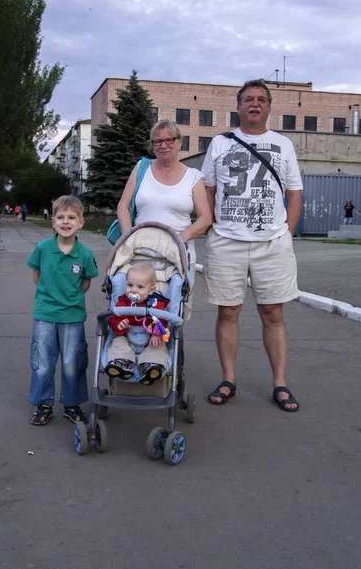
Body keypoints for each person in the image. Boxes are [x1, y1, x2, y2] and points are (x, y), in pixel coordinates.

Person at [202, 79, 303, 412]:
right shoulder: (219, 143)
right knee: (228, 311)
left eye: (261, 99)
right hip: (227, 242)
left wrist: (287, 231)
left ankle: (280, 384)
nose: (254, 104)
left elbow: (294, 193)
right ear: (239, 106)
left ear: (270, 107)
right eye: (248, 99)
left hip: (272, 243)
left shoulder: (283, 144)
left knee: (273, 313)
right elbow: (209, 190)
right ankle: (228, 379)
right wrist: (212, 225)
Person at [117, 119, 212, 297]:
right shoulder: (141, 168)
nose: (164, 145)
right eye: (158, 141)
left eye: (169, 140)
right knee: (135, 309)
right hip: (140, 252)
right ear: (152, 144)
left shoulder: (193, 177)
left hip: (177, 256)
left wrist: (179, 239)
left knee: (174, 312)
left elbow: (205, 218)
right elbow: (123, 205)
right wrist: (128, 237)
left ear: (180, 142)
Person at [27, 195, 98, 425]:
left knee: (72, 362)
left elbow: (86, 282)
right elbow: (37, 275)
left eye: (71, 217)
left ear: (81, 223)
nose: (65, 222)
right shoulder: (42, 249)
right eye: (60, 217)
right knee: (43, 361)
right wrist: (50, 296)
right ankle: (43, 404)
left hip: (72, 316)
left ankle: (71, 403)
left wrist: (70, 299)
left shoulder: (85, 254)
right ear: (53, 221)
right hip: (45, 315)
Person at [105, 263, 169, 385]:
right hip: (127, 338)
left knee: (159, 348)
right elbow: (114, 318)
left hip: (150, 340)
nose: (133, 290)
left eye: (140, 287)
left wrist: (157, 334)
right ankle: (120, 364)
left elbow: (162, 321)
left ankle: (151, 367)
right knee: (117, 343)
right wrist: (119, 324)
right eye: (130, 285)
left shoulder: (156, 304)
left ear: (151, 290)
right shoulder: (123, 302)